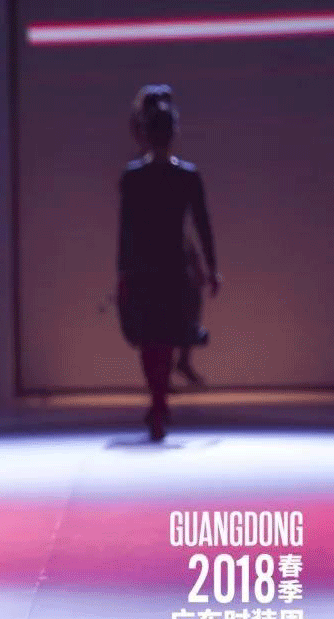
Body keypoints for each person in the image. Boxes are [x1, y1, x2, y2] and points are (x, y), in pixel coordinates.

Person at [117, 85, 220, 441]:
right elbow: (203, 224)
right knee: (167, 333)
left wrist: (123, 271)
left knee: (151, 337)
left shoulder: (133, 176)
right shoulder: (187, 175)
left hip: (145, 265)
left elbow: (126, 230)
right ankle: (160, 400)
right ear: (174, 133)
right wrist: (212, 267)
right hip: (173, 265)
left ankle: (158, 400)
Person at [127, 85, 210, 389]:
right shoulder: (144, 163)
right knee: (167, 304)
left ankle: (180, 356)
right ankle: (169, 367)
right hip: (158, 246)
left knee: (186, 295)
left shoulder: (156, 162)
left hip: (170, 242)